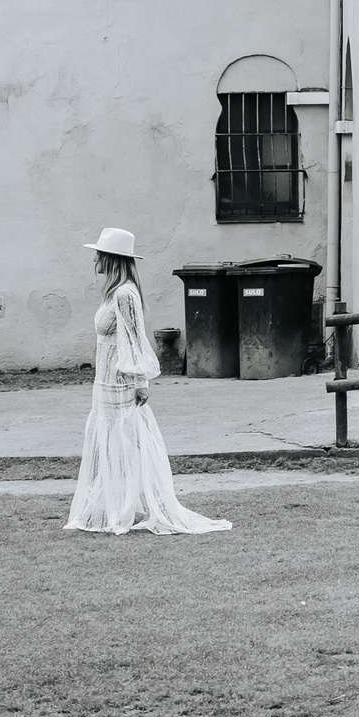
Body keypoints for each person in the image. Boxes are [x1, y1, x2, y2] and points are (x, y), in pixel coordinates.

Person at [65, 227, 231, 536]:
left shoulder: (125, 294)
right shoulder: (114, 293)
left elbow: (135, 339)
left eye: (99, 255)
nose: (94, 260)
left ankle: (128, 509)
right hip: (105, 381)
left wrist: (140, 381)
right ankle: (111, 508)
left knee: (127, 444)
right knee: (109, 444)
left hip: (120, 381)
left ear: (111, 259)